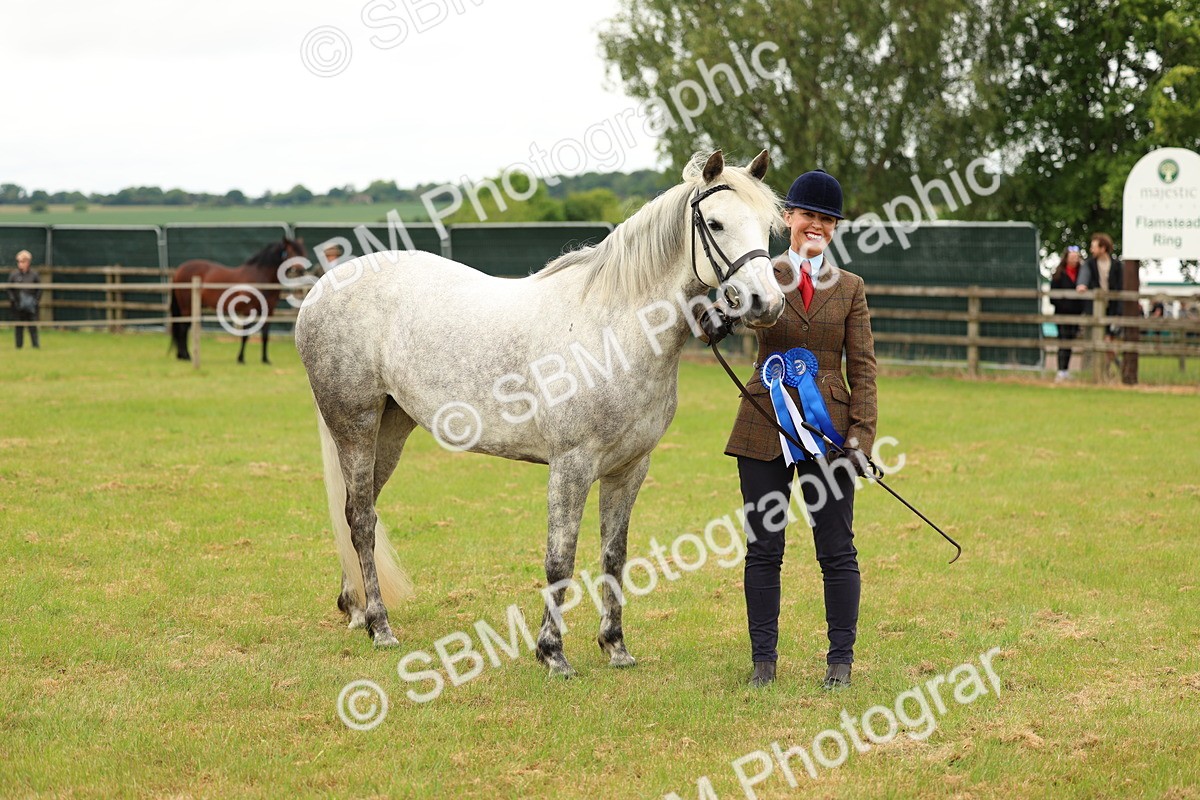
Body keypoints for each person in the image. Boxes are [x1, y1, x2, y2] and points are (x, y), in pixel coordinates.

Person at [702, 169, 877, 690]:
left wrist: (860, 439)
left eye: (827, 219)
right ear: (788, 219)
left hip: (829, 433)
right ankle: (763, 663)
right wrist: (713, 318)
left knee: (836, 548)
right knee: (763, 547)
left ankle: (840, 662)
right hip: (764, 422)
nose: (816, 226)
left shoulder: (851, 289)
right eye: (808, 216)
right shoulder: (763, 274)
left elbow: (863, 368)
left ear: (835, 228)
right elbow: (724, 311)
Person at [1079, 232, 1122, 377]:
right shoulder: (1090, 264)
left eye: (1094, 247)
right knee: (1100, 341)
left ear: (1103, 248)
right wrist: (1082, 285)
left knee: (1108, 341)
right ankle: (1108, 371)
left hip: (1112, 310)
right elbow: (1084, 276)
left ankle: (1109, 371)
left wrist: (1118, 313)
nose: (1091, 250)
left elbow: (1121, 290)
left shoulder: (1116, 265)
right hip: (1095, 310)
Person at [1049, 246, 1086, 380]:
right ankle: (1061, 370)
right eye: (1072, 257)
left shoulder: (1082, 274)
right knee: (1063, 340)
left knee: (1070, 341)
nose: (1074, 260)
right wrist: (1064, 306)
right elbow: (1053, 296)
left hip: (1075, 314)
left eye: (1076, 257)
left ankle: (1066, 370)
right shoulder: (1059, 274)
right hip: (1062, 313)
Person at [8, 250, 42, 349]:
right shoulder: (14, 275)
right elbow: (9, 289)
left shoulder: (34, 275)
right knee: (19, 326)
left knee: (32, 326)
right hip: (18, 305)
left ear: (28, 262)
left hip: (31, 305)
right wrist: (14, 301)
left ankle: (35, 345)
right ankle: (19, 346)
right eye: (18, 261)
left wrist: (35, 301)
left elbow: (39, 289)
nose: (20, 264)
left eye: (22, 261)